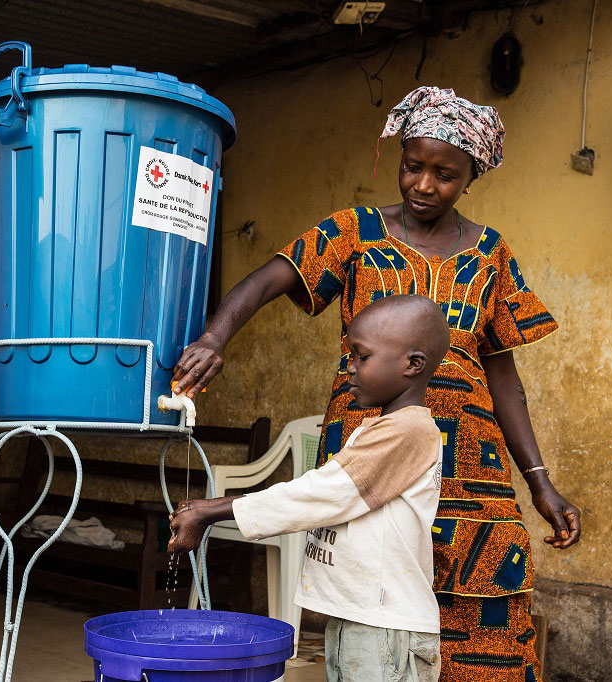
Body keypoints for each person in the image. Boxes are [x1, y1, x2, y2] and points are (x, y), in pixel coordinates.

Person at [170, 86, 580, 682]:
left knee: (484, 607)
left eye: (445, 174)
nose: (423, 185)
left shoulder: (491, 254)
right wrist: (215, 338)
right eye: (413, 166)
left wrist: (540, 482)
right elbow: (266, 281)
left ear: (471, 177)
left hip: (472, 468)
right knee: (373, 595)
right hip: (371, 446)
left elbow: (504, 378)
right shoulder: (354, 232)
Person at [170, 294, 450, 682]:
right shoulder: (384, 429)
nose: (349, 368)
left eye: (361, 356)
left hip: (384, 627)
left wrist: (214, 509)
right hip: (359, 616)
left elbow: (322, 494)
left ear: (412, 364)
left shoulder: (408, 431)